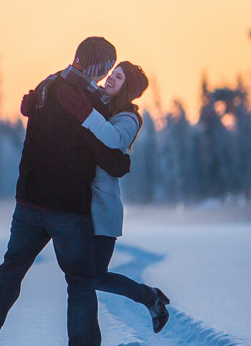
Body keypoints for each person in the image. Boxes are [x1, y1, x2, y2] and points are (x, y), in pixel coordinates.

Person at [0, 37, 131, 346]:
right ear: (100, 65)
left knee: (10, 271)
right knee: (80, 281)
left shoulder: (48, 85)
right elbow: (106, 154)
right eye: (107, 66)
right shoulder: (87, 103)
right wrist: (123, 161)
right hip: (67, 206)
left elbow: (29, 111)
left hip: (28, 201)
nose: (107, 73)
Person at [57, 61, 171, 332]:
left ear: (127, 88)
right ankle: (85, 336)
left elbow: (114, 138)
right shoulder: (96, 100)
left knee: (96, 276)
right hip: (80, 205)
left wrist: (86, 113)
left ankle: (149, 297)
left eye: (118, 77)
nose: (110, 79)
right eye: (111, 74)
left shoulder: (129, 118)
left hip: (104, 208)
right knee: (83, 276)